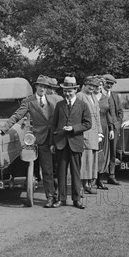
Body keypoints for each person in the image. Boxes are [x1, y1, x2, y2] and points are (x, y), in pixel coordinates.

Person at [0, 75, 61, 208]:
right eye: (40, 86)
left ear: (48, 88)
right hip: (42, 138)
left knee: (59, 168)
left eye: (45, 87)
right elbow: (17, 115)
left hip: (57, 137)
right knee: (47, 169)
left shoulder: (54, 100)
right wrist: (3, 129)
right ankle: (50, 197)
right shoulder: (29, 101)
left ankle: (61, 195)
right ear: (36, 87)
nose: (42, 89)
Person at [49, 76, 92, 209]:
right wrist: (52, 143)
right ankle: (61, 199)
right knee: (61, 173)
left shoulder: (83, 105)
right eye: (65, 91)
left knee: (76, 173)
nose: (67, 94)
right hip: (61, 143)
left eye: (70, 91)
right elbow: (53, 125)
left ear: (75, 90)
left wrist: (74, 128)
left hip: (75, 143)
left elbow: (88, 124)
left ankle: (76, 199)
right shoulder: (59, 105)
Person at [76, 76, 103, 195]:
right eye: (90, 86)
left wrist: (100, 132)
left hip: (94, 133)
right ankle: (80, 187)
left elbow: (97, 116)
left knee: (92, 160)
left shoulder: (93, 97)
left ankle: (88, 185)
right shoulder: (80, 96)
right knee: (84, 160)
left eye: (94, 86)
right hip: (84, 132)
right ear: (84, 85)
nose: (92, 88)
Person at [101, 74, 123, 185]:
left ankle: (111, 175)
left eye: (111, 84)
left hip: (114, 129)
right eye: (107, 83)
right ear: (103, 83)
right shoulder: (98, 95)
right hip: (103, 128)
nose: (109, 85)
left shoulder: (114, 96)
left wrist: (117, 124)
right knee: (101, 151)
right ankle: (98, 177)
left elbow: (120, 112)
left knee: (113, 152)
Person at [93, 76, 112, 189]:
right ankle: (90, 179)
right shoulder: (89, 97)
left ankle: (100, 179)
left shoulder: (106, 98)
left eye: (100, 85)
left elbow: (109, 114)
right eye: (96, 85)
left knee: (103, 153)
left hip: (104, 127)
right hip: (92, 127)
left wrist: (112, 129)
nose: (98, 87)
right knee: (93, 152)